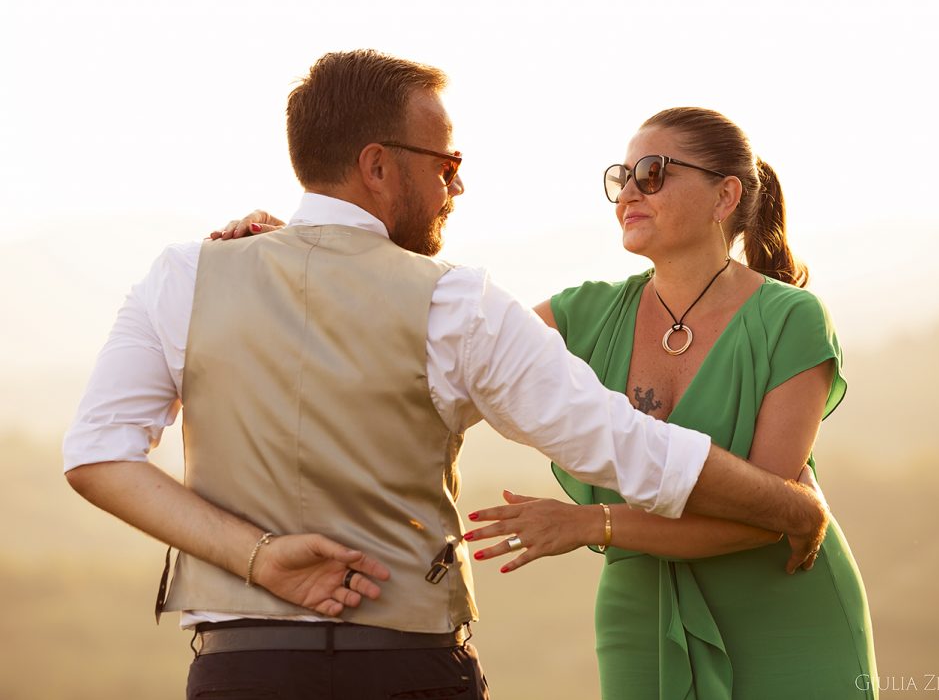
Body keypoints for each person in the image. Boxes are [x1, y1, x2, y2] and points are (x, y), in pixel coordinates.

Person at [65, 51, 829, 700]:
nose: (456, 187)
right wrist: (791, 508)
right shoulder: (456, 303)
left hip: (239, 673)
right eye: (448, 165)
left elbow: (96, 455)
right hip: (407, 670)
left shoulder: (184, 276)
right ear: (377, 166)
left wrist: (254, 557)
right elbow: (627, 447)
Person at [463, 108, 878, 698]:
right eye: (621, 176)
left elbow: (763, 518)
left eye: (652, 173)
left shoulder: (791, 319)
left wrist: (589, 522)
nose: (628, 192)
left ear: (724, 196)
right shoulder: (582, 314)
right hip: (641, 611)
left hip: (786, 613)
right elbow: (458, 357)